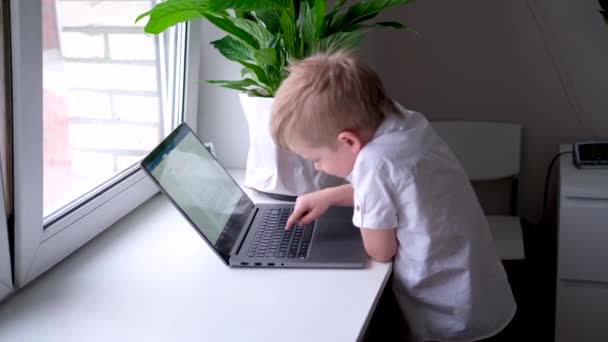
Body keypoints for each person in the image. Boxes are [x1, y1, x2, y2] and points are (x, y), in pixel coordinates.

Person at [269, 51, 516, 342]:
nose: (316, 166)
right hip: (481, 291)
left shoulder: (375, 163)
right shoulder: (405, 123)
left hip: (448, 314)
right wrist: (329, 196)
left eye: (316, 158)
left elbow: (380, 250)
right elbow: (397, 194)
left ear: (348, 141)